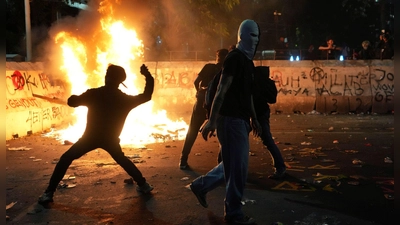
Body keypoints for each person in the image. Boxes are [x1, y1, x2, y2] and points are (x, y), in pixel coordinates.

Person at [38, 64, 155, 205]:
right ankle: (143, 185)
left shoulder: (93, 94)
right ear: (120, 81)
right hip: (110, 139)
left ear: (106, 78)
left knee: (65, 159)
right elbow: (147, 95)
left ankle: (49, 192)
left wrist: (74, 98)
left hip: (90, 138)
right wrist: (147, 75)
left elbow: (72, 102)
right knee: (122, 160)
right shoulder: (124, 100)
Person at [189, 19, 261, 225]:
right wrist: (212, 120)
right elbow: (221, 90)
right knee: (237, 169)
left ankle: (201, 186)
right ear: (242, 36)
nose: (255, 41)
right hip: (229, 121)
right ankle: (234, 214)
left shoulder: (247, 63)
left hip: (240, 121)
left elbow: (247, 95)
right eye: (252, 36)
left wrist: (253, 118)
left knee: (234, 166)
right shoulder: (234, 59)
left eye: (257, 37)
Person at [179, 48, 229, 170]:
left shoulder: (208, 67)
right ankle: (220, 163)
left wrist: (199, 92)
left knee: (192, 131)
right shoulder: (226, 71)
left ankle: (183, 160)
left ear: (217, 57)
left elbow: (196, 82)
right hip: (217, 107)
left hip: (201, 104)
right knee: (223, 134)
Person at [253, 66, 286, 179]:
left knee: (236, 140)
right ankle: (280, 167)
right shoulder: (267, 83)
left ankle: (280, 167)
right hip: (262, 112)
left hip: (256, 114)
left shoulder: (255, 83)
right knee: (267, 141)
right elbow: (272, 99)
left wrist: (254, 119)